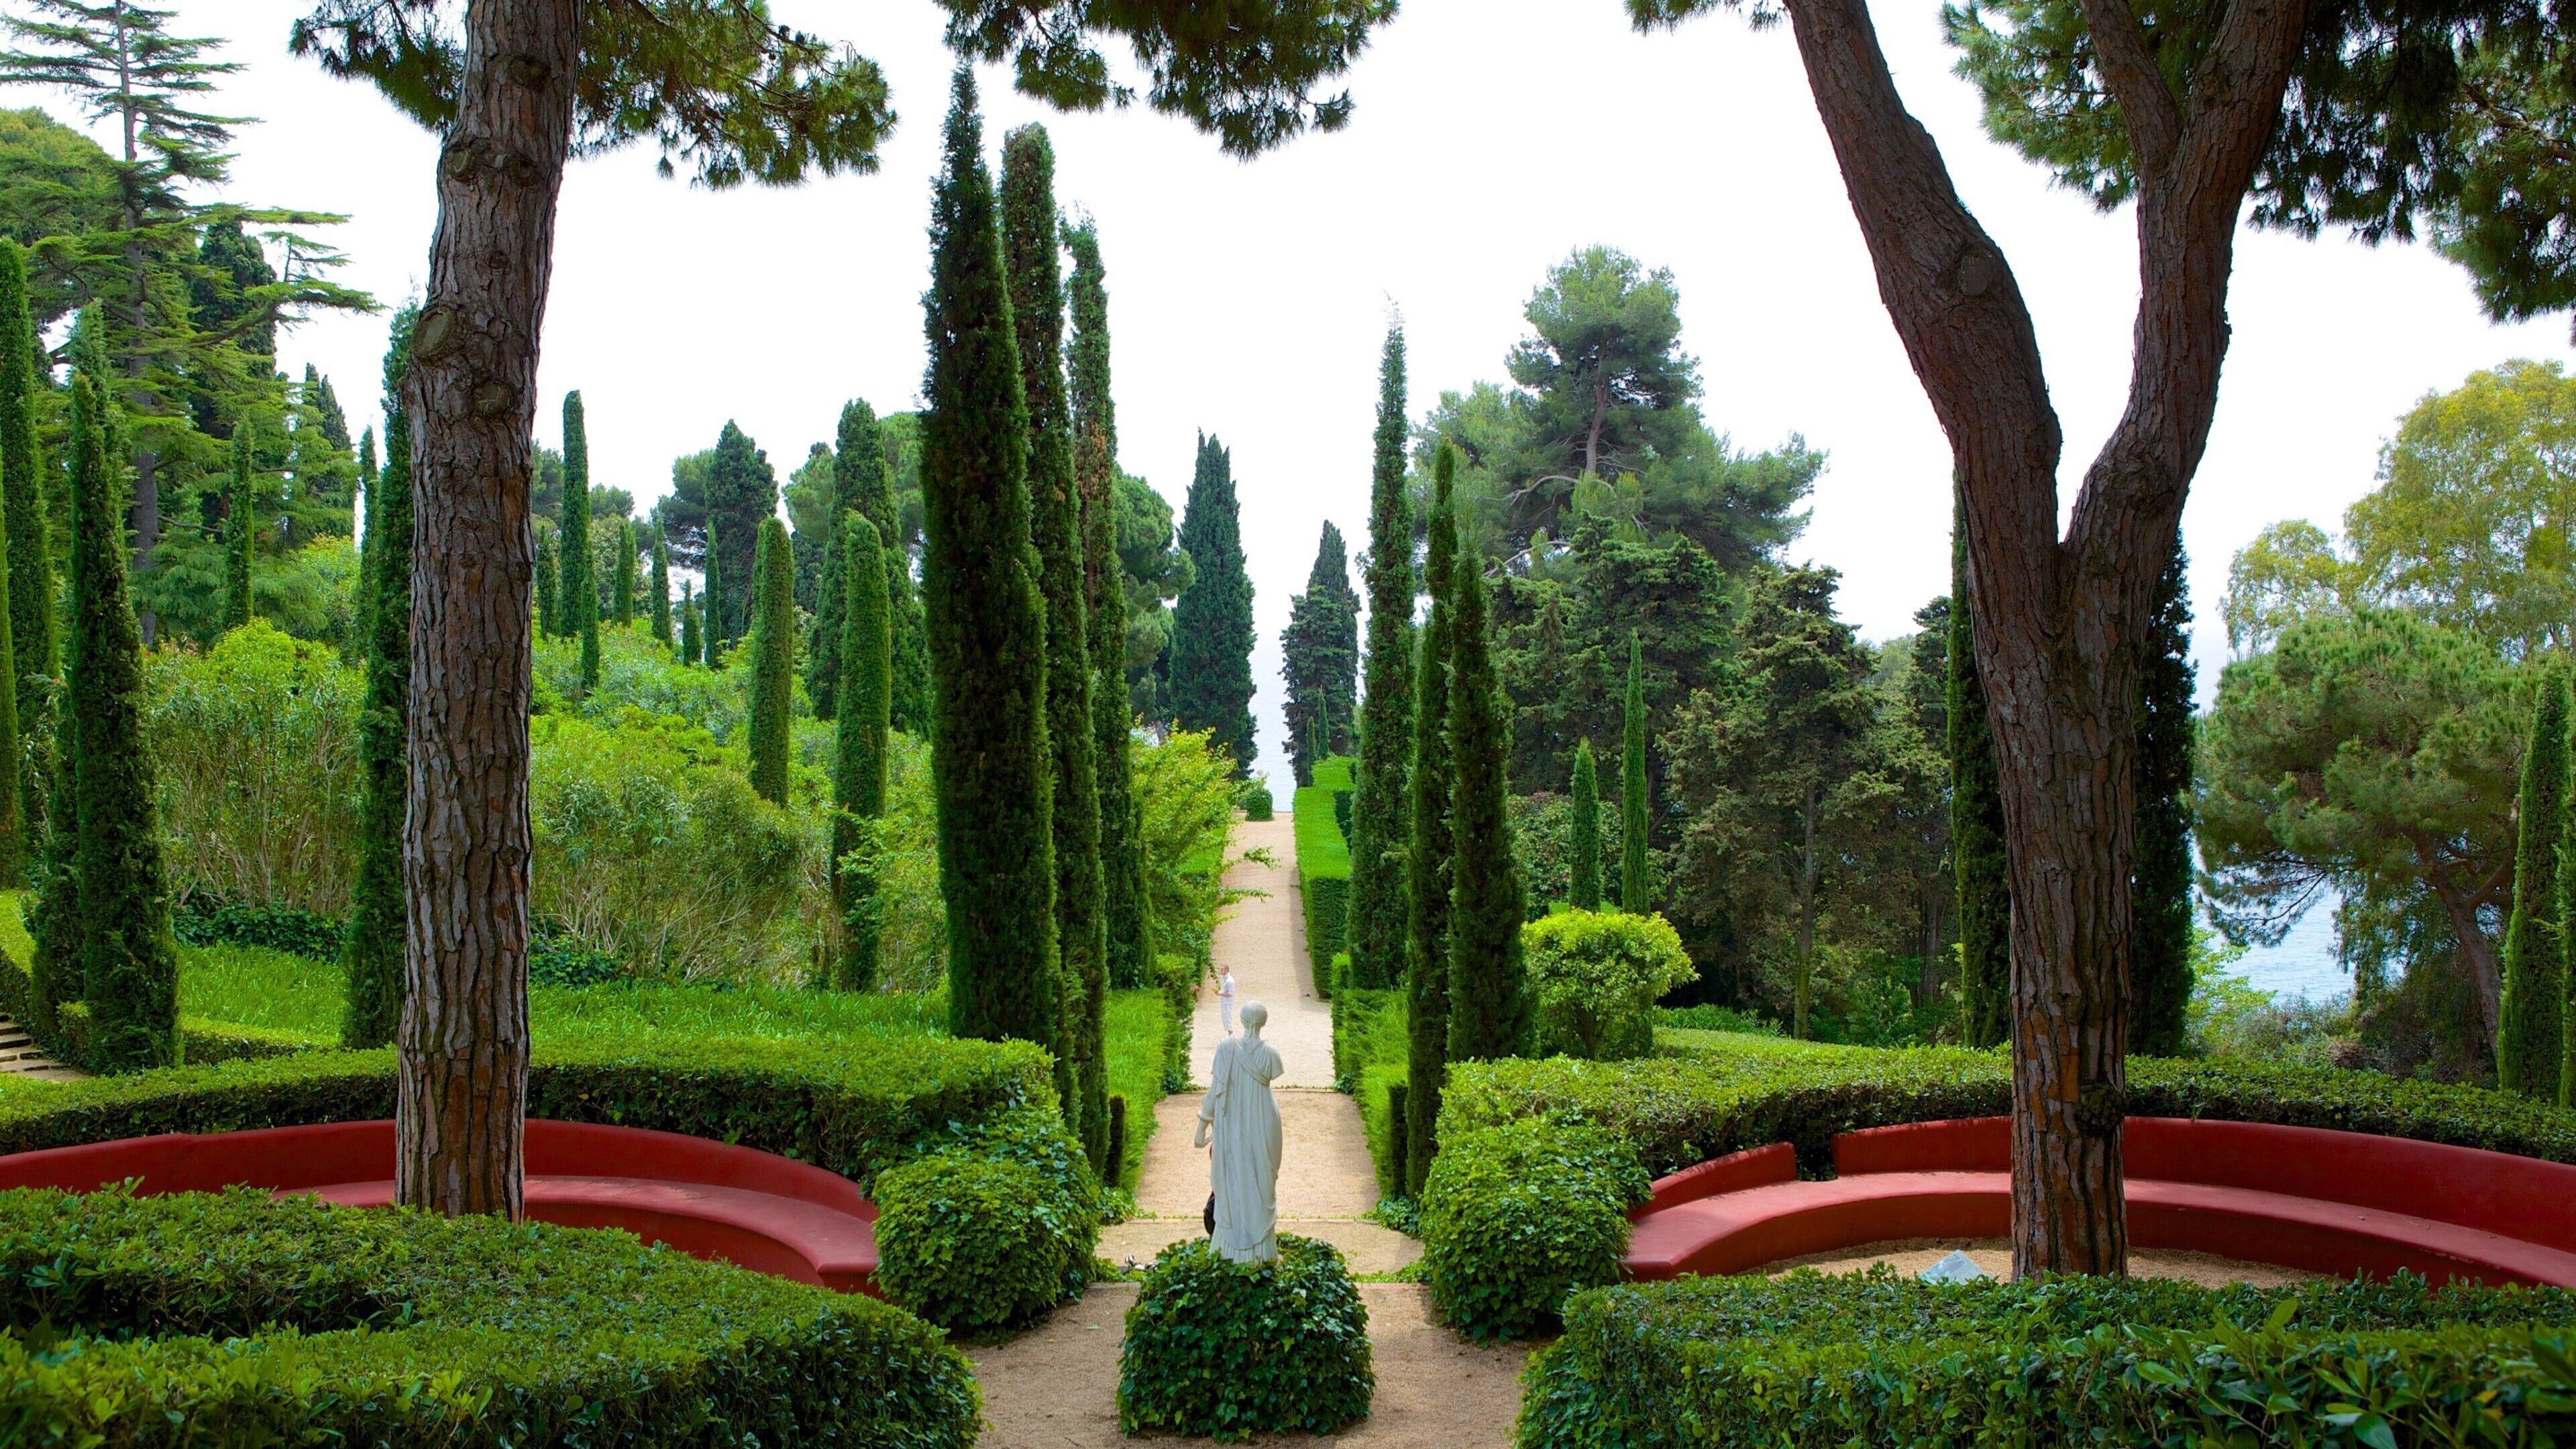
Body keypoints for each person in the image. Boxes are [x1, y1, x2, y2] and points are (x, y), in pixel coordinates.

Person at [1195, 1000, 1283, 1263]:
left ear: (1243, 1020)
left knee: (1237, 1178)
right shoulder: (1271, 1054)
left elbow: (1214, 1091)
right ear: (1263, 1022)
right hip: (1262, 1122)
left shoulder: (1227, 1048)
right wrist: (1202, 1125)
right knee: (1257, 1181)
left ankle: (1235, 1252)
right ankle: (1257, 1254)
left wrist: (1201, 1127)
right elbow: (1215, 1091)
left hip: (1238, 1122)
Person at [1218, 966, 1237, 1034]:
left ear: (1226, 970)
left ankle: (1231, 1037)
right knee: (1225, 1019)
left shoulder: (1230, 980)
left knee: (1229, 1019)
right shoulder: (1224, 979)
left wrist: (1220, 994)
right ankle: (1230, 1037)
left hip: (1228, 1003)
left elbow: (1230, 993)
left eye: (1222, 969)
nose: (1221, 971)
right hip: (1224, 1002)